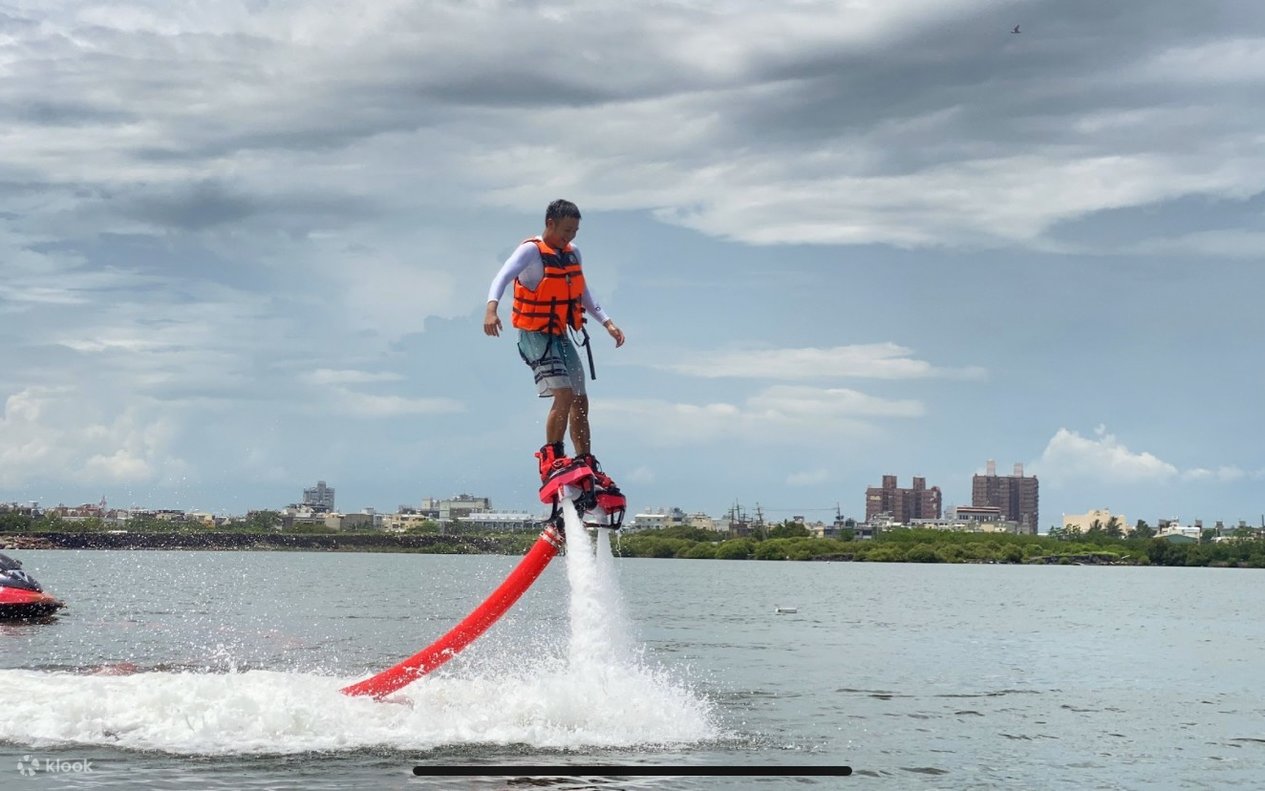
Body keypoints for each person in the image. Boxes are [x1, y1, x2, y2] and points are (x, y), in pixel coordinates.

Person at [484, 199, 625, 488]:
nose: (569, 236)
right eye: (565, 230)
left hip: (559, 335)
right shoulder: (530, 251)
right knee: (564, 394)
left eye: (574, 231)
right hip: (534, 336)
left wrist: (608, 323)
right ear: (550, 223)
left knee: (580, 399)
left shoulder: (573, 253)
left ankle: (584, 460)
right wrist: (491, 309)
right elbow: (502, 276)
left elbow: (584, 292)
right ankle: (553, 457)